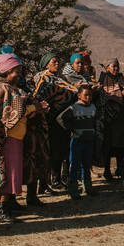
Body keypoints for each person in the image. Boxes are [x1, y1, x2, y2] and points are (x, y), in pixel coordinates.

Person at [0, 54, 48, 223]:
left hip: (15, 137)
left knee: (12, 172)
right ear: (7, 70)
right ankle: (2, 210)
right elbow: (11, 114)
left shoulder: (8, 87)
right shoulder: (3, 88)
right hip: (8, 138)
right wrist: (35, 107)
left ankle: (9, 205)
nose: (19, 74)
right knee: (7, 172)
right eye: (17, 71)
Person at [33, 53, 78, 192]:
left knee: (60, 150)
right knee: (51, 151)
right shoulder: (44, 79)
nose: (57, 64)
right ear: (47, 64)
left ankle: (56, 180)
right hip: (51, 120)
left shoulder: (59, 79)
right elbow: (39, 97)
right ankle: (48, 182)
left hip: (62, 119)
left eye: (58, 61)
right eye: (54, 61)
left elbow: (71, 92)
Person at [56, 84, 99, 199]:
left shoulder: (93, 107)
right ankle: (73, 189)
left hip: (89, 140)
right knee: (74, 165)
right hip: (77, 140)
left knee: (87, 164)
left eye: (90, 95)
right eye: (86, 95)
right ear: (79, 95)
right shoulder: (74, 108)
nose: (88, 97)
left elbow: (95, 121)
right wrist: (70, 129)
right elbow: (60, 118)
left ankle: (88, 187)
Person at [98, 58, 124, 181]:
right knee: (108, 146)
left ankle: (120, 169)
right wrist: (123, 93)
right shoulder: (103, 79)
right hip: (108, 119)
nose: (115, 69)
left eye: (117, 66)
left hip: (121, 117)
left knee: (122, 144)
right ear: (107, 67)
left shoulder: (121, 78)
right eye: (113, 66)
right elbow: (104, 97)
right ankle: (107, 171)